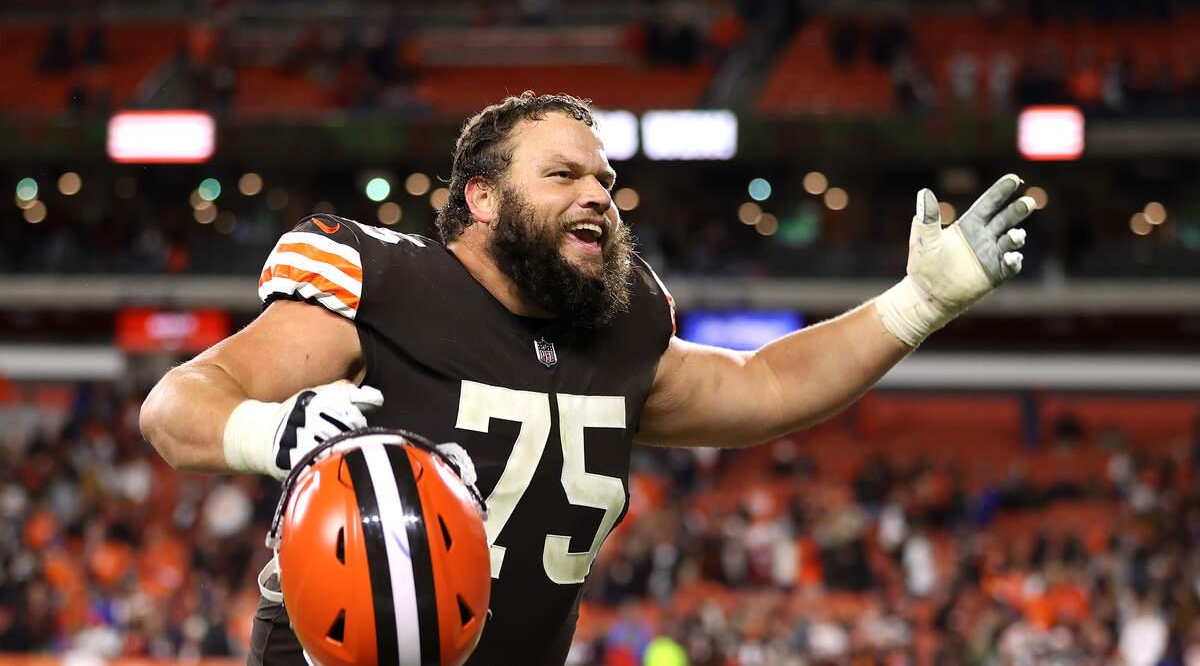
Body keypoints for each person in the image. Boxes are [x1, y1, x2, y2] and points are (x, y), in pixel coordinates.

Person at [139, 91, 1035, 665]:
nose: (599, 194)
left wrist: (918, 302)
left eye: (605, 179)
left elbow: (766, 384)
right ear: (481, 198)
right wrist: (266, 430)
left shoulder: (621, 329)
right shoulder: (386, 286)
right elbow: (174, 406)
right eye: (562, 174)